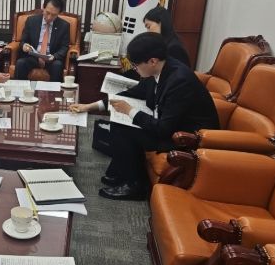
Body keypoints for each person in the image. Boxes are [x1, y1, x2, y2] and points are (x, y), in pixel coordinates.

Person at [70, 32, 219, 201]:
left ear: (152, 61)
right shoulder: (159, 70)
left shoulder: (179, 81)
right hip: (167, 125)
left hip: (186, 138)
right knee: (119, 123)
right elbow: (130, 94)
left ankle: (135, 185)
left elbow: (163, 129)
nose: (135, 69)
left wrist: (130, 111)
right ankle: (123, 174)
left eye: (135, 65)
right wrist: (90, 106)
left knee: (125, 129)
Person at [15, 0, 71, 82]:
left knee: (58, 65)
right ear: (43, 8)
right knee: (20, 63)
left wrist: (54, 56)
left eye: (54, 15)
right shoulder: (31, 21)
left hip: (51, 59)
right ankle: (20, 90)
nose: (49, 17)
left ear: (59, 13)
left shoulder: (64, 25)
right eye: (47, 13)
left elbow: (64, 47)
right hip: (33, 57)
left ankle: (54, 90)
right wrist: (24, 46)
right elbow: (23, 41)